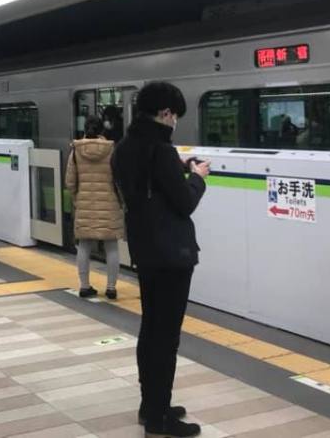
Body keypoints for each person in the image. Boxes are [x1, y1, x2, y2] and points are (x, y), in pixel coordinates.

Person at [111, 81, 209, 438]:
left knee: (151, 328)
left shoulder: (125, 147)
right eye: (175, 115)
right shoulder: (161, 149)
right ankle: (159, 418)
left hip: (146, 250)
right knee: (166, 337)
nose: (175, 121)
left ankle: (150, 405)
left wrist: (176, 167)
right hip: (172, 254)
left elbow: (144, 186)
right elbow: (184, 202)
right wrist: (197, 178)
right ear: (165, 113)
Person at [65, 114, 124, 299]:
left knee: (84, 245)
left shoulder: (76, 151)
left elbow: (70, 182)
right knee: (111, 246)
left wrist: (77, 199)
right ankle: (111, 288)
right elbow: (120, 181)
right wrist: (122, 202)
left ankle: (84, 286)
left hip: (84, 204)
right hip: (110, 205)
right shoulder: (112, 150)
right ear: (102, 130)